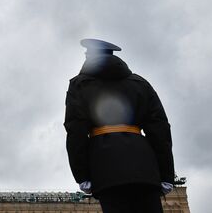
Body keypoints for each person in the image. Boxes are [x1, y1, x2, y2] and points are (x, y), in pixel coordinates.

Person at [64, 39, 174, 213]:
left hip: (106, 169)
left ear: (90, 57)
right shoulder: (140, 83)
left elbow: (76, 132)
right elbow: (160, 130)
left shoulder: (79, 85)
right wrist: (167, 174)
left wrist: (82, 175)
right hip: (145, 168)